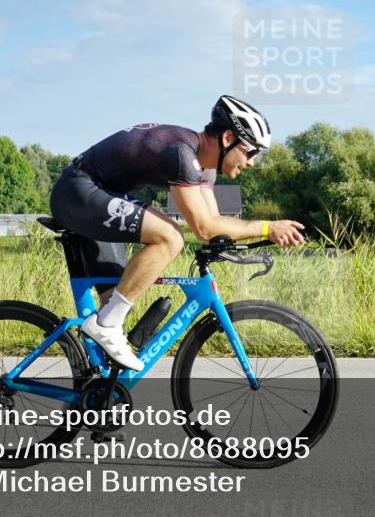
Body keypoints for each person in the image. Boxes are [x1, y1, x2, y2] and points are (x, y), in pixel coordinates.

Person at [49, 95, 306, 372]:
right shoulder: (181, 153)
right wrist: (267, 227)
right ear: (228, 137)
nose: (252, 162)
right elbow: (204, 227)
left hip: (101, 196)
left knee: (118, 297)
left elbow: (213, 224)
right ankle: (105, 326)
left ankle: (94, 385)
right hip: (77, 191)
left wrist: (248, 240)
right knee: (170, 237)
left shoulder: (204, 169)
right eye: (251, 152)